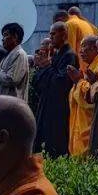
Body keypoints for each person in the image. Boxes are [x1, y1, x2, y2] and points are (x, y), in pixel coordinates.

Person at [31, 21, 80, 156]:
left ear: (64, 35)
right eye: (50, 34)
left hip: (59, 107)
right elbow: (38, 84)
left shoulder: (69, 55)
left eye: (53, 34)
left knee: (54, 143)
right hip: (46, 104)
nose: (51, 37)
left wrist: (46, 67)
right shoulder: (56, 55)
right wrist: (41, 67)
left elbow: (60, 83)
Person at [68, 34, 98, 156]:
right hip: (82, 120)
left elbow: (93, 96)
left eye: (84, 46)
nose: (80, 51)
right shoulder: (89, 67)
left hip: (92, 121)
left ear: (95, 48)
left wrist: (78, 81)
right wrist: (78, 82)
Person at [0, 22, 30, 101]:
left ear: (15, 36)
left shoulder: (19, 54)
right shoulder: (8, 55)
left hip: (12, 105)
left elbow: (11, 80)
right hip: (4, 103)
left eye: (5, 35)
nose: (2, 39)